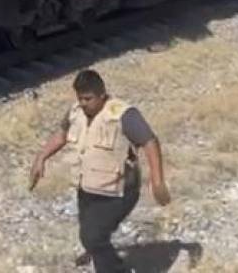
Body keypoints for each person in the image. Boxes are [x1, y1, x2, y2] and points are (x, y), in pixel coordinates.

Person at [30, 69, 171, 272]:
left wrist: (157, 181)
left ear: (101, 95)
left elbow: (150, 141)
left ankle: (113, 268)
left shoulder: (122, 114)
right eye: (80, 98)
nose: (84, 103)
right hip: (87, 187)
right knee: (90, 234)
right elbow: (61, 135)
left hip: (119, 191)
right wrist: (41, 158)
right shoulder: (76, 112)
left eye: (88, 98)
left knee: (92, 237)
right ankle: (99, 251)